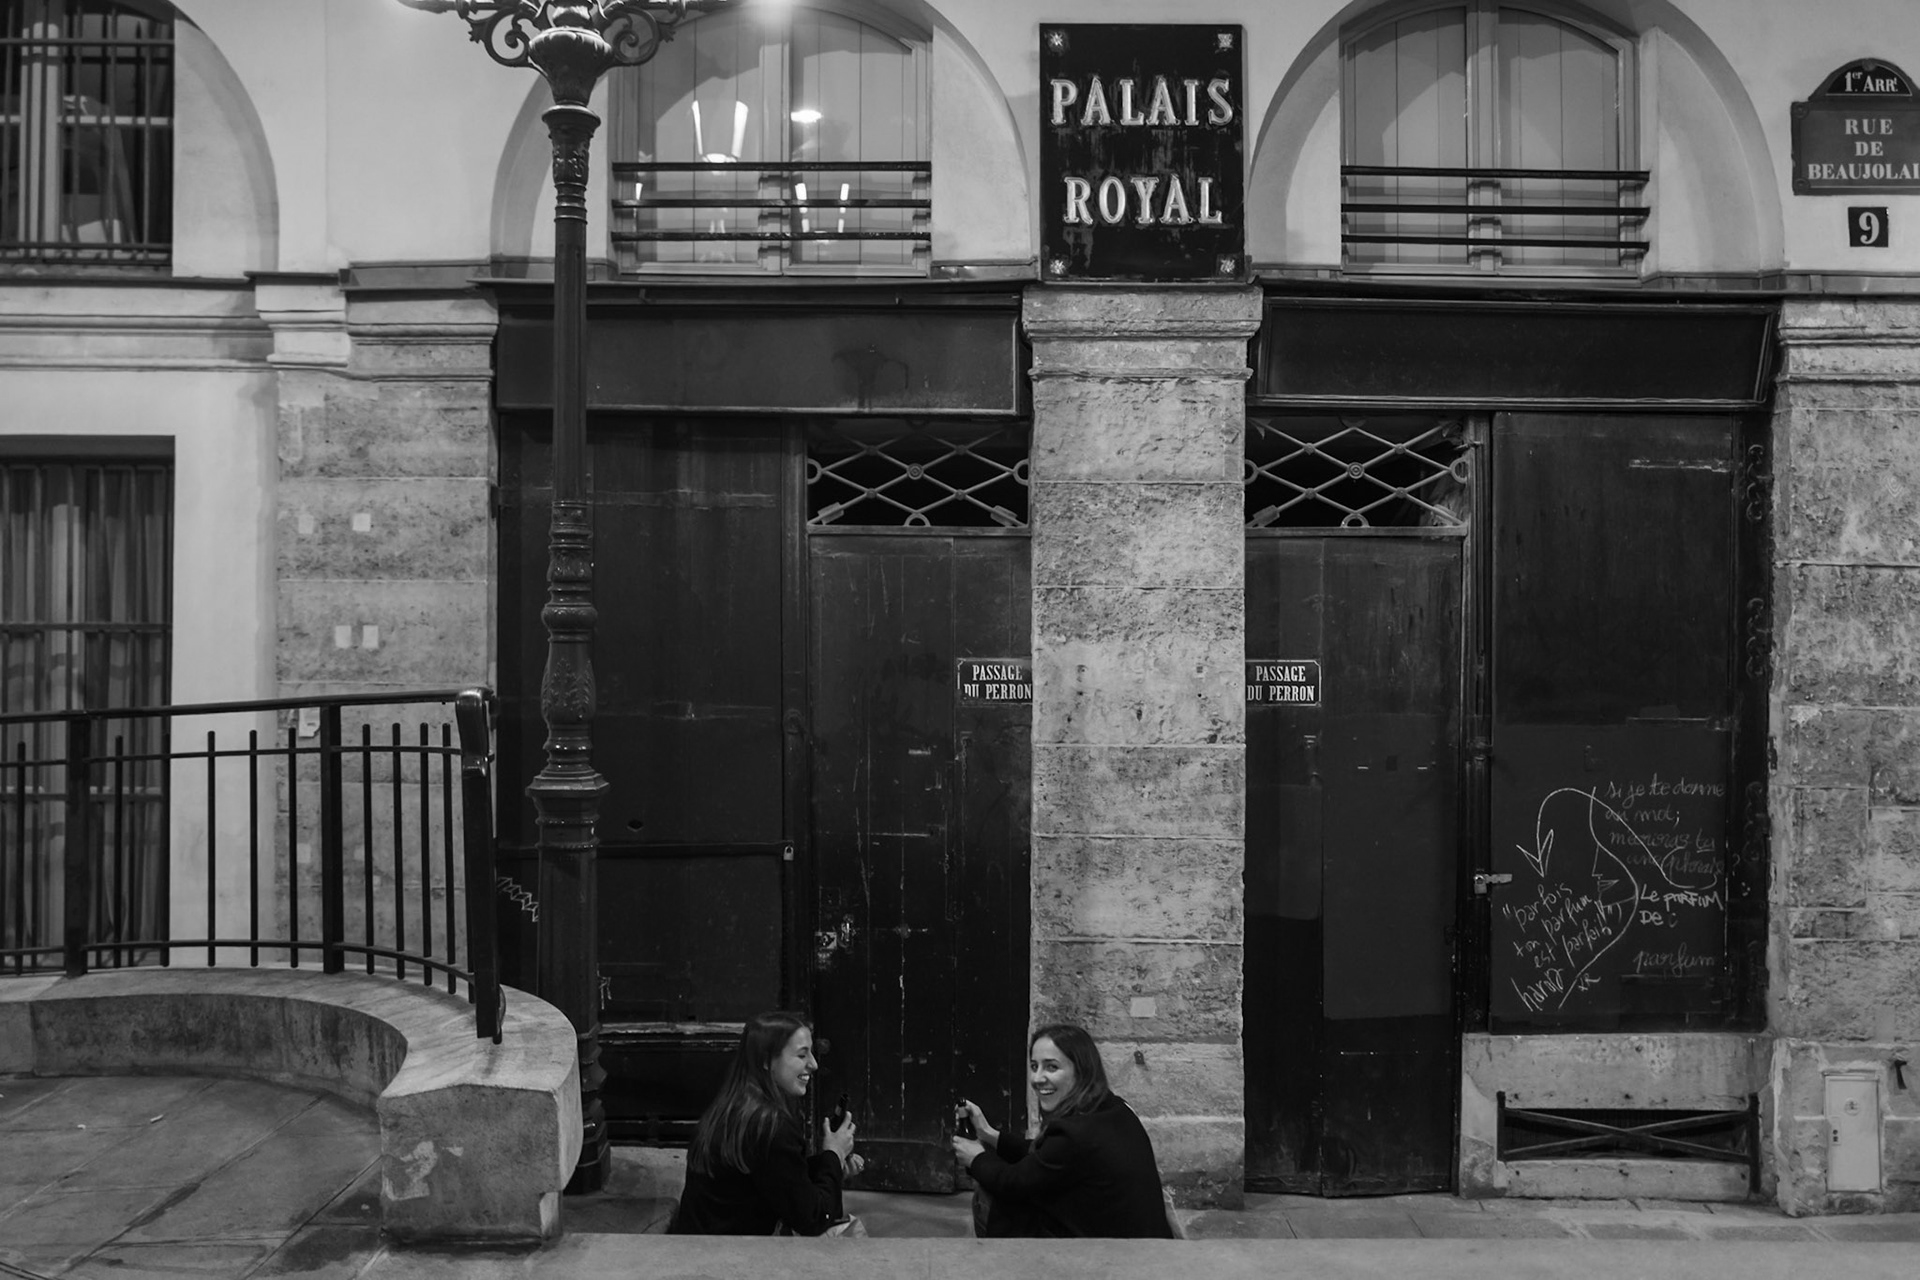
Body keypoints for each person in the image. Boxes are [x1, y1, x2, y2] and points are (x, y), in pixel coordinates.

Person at [950, 1022, 1175, 1238]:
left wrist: (976, 1158)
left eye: (1052, 1067)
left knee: (988, 1199)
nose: (1037, 1079)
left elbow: (1013, 1182)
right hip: (1142, 1240)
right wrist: (990, 1135)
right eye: (1034, 1066)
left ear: (1081, 1071)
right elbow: (1047, 1157)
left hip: (1114, 1256)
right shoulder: (1113, 1108)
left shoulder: (1076, 1132)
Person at [669, 1010, 867, 1235]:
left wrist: (830, 1165)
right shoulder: (771, 1127)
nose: (814, 1064)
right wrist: (834, 1154)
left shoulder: (732, 1107)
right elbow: (815, 1219)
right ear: (766, 1061)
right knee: (851, 1234)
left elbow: (772, 1175)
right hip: (731, 1258)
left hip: (703, 1244)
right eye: (802, 1056)